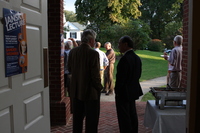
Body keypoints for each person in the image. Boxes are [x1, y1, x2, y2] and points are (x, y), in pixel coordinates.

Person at [68, 29, 103, 133]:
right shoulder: (93, 54)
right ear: (91, 40)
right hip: (90, 93)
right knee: (91, 122)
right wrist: (99, 88)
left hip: (76, 91)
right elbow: (95, 76)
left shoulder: (73, 51)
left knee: (77, 121)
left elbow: (69, 69)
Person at [115, 35, 143, 133]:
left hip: (123, 92)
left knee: (124, 117)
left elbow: (121, 78)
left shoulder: (124, 59)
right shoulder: (137, 58)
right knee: (132, 114)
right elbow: (138, 75)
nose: (118, 46)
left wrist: (117, 90)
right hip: (133, 90)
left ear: (125, 44)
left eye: (120, 44)